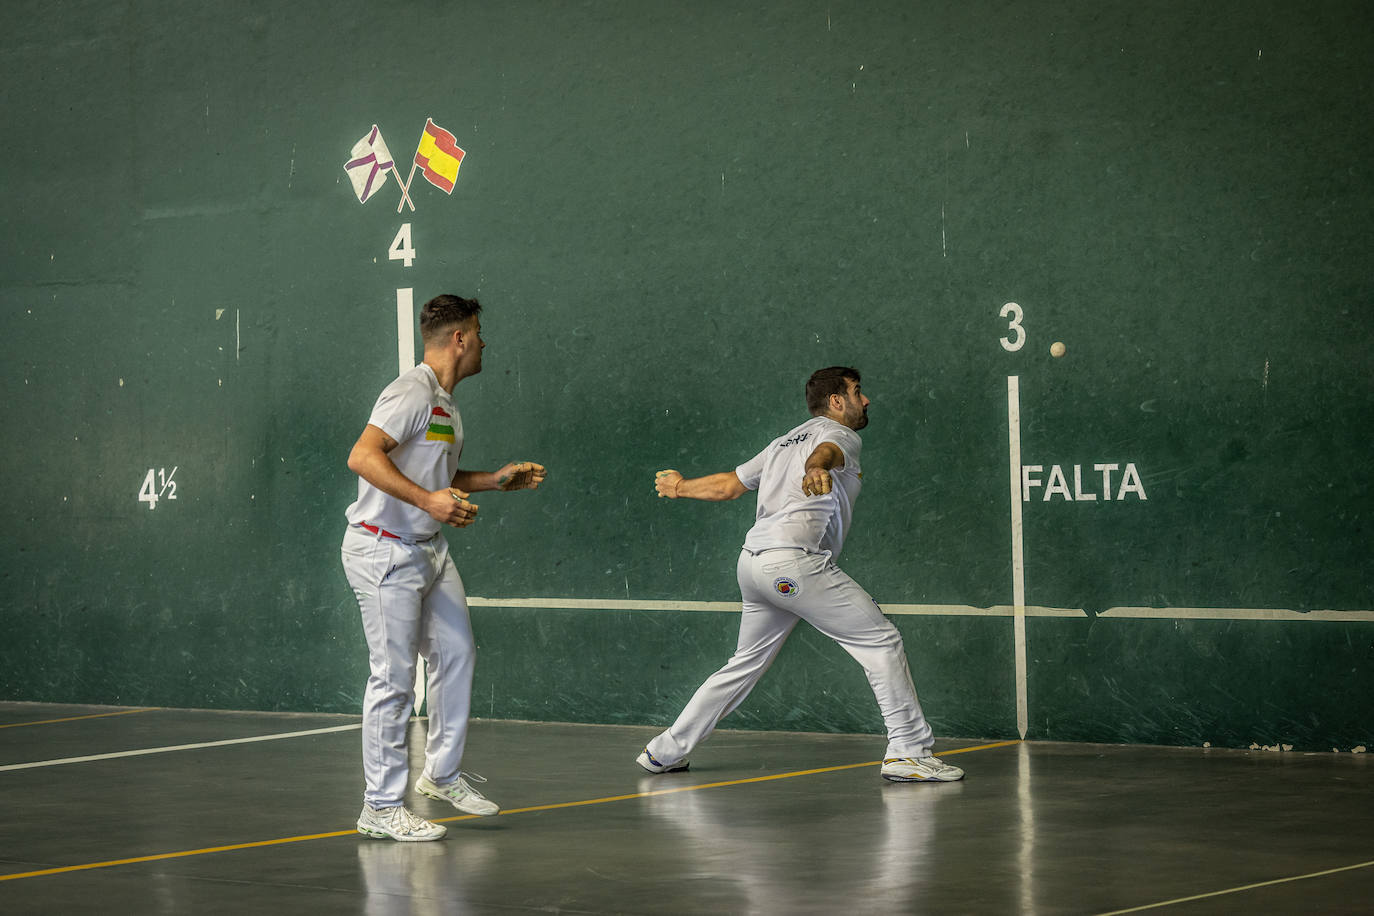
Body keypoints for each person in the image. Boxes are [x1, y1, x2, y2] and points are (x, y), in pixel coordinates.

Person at [639, 367, 963, 783]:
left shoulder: (781, 443)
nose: (865, 401)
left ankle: (664, 751)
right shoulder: (839, 434)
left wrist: (681, 486)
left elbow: (728, 487)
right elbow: (826, 452)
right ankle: (908, 750)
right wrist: (815, 468)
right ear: (835, 401)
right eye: (858, 392)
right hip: (794, 564)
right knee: (880, 640)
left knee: (744, 663)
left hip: (753, 564)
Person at [342, 294, 547, 841]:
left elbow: (437, 480)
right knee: (394, 677)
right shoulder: (410, 391)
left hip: (428, 550)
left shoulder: (446, 404)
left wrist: (493, 480)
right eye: (478, 332)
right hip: (384, 551)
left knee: (456, 653)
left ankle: (441, 774)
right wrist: (427, 502)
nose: (484, 343)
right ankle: (381, 806)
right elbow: (363, 456)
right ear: (459, 338)